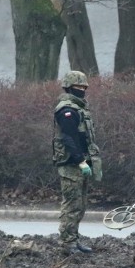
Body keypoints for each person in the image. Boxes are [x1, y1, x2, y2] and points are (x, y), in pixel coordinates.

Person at [52, 70, 100, 254]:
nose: (82, 89)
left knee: (80, 205)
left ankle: (74, 239)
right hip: (71, 164)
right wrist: (80, 161)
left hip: (81, 163)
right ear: (69, 87)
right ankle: (67, 243)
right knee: (72, 204)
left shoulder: (79, 107)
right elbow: (68, 138)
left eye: (84, 87)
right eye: (79, 87)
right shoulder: (67, 110)